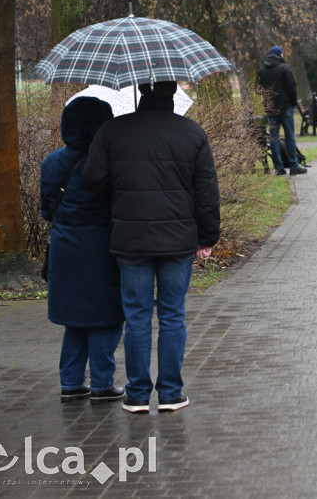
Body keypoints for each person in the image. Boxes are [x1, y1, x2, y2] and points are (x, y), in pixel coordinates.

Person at [83, 81, 221, 414]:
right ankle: (172, 393)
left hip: (131, 239)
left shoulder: (113, 131)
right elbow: (207, 192)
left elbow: (93, 180)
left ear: (141, 91)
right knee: (173, 315)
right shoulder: (192, 132)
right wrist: (208, 237)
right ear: (173, 94)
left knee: (137, 317)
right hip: (178, 240)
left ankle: (138, 394)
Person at [40, 97, 124, 404]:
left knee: (74, 319)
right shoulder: (109, 162)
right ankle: (102, 384)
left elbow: (46, 210)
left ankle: (71, 382)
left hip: (64, 249)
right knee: (106, 316)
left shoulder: (51, 162)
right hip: (101, 249)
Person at [256, 45, 306, 176]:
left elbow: (257, 89)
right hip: (286, 108)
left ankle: (279, 168)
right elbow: (292, 87)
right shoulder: (284, 68)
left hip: (270, 109)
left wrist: (268, 96)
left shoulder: (262, 70)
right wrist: (293, 102)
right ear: (280, 55)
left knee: (273, 138)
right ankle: (294, 166)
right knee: (290, 136)